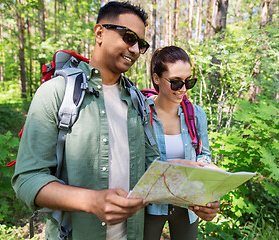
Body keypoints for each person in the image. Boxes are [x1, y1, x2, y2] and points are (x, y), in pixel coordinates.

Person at [11, 2, 159, 239]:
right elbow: (27, 178)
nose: (134, 49)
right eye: (129, 37)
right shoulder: (57, 92)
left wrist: (195, 191)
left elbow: (153, 168)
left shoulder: (138, 101)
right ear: (99, 32)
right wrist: (92, 201)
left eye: (141, 44)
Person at [143, 46, 220, 240]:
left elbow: (203, 154)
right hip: (150, 205)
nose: (183, 89)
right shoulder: (141, 112)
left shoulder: (196, 114)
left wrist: (209, 181)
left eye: (189, 82)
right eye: (176, 83)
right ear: (156, 78)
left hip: (188, 204)